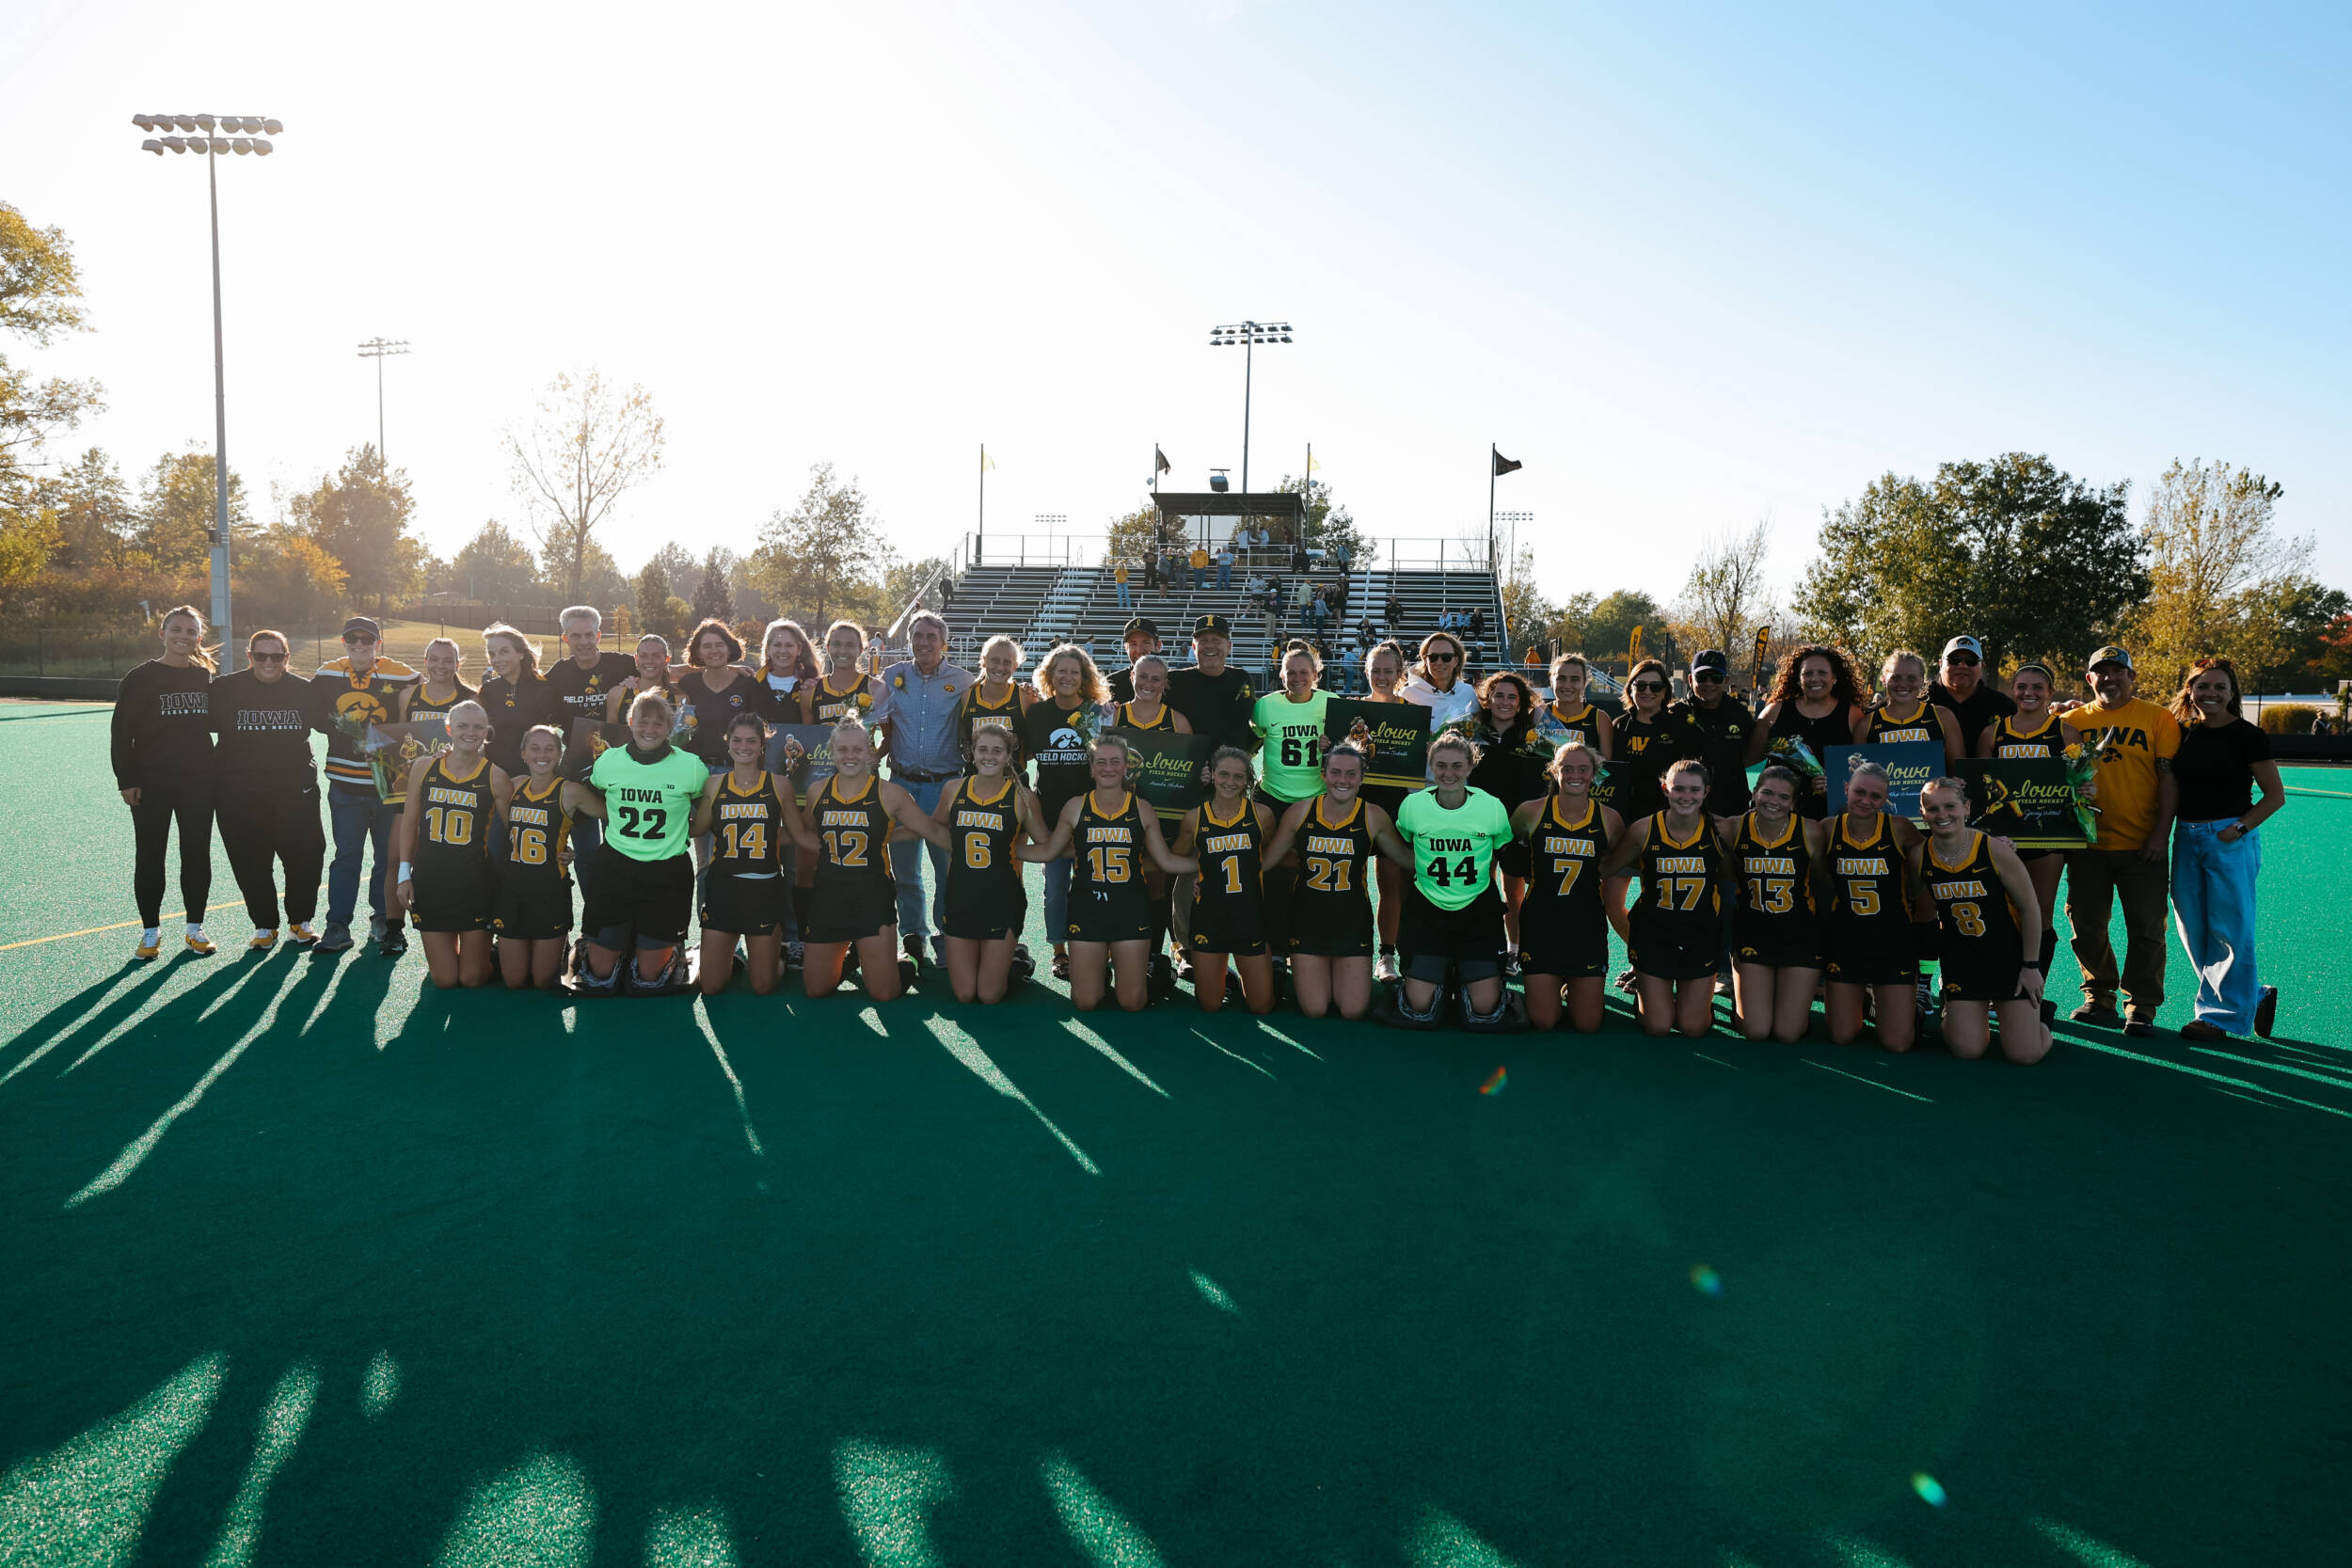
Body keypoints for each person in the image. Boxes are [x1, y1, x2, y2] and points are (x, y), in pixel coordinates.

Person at [1021, 736, 1196, 1011]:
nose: (1108, 768)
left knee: (1132, 1003)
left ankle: (1160, 972)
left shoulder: (1141, 808)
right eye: (1101, 762)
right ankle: (1098, 972)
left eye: (1115, 761)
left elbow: (1166, 860)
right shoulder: (1076, 806)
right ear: (1091, 768)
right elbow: (1049, 851)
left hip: (1130, 908)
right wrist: (1005, 849)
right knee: (1085, 1001)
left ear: (1126, 766)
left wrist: (1206, 865)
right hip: (1087, 908)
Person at [781, 718, 951, 1000]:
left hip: (872, 899)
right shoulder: (817, 791)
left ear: (870, 752)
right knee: (816, 989)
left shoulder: (891, 793)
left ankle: (908, 959)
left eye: (857, 749)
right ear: (832, 752)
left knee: (884, 993)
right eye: (843, 749)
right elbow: (806, 832)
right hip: (829, 898)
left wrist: (969, 852)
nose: (850, 756)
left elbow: (930, 829)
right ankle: (854, 956)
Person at [2167, 657, 2284, 1040]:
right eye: (2203, 686)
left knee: (2229, 929)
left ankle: (2219, 1017)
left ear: (2232, 693)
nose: (2211, 693)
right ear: (2190, 691)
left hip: (2228, 839)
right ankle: (2253, 996)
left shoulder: (2249, 736)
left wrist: (2238, 829)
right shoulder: (2183, 733)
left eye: (2220, 687)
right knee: (2192, 929)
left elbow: (2274, 796)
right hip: (2186, 837)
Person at [2064, 645, 2179, 1036]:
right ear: (2089, 678)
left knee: (2147, 928)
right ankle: (2099, 995)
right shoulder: (2071, 722)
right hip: (2088, 844)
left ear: (2132, 676)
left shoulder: (2157, 718)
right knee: (2087, 925)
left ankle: (2142, 1005)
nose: (2109, 678)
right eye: (2102, 671)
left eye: (2118, 671)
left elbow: (2168, 779)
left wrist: (2161, 834)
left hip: (2141, 844)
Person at [572, 690, 707, 992]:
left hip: (666, 872)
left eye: (658, 723)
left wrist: (687, 830)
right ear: (630, 723)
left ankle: (661, 948)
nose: (650, 729)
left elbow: (705, 803)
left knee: (648, 978)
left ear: (669, 727)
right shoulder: (609, 761)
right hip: (616, 868)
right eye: (643, 722)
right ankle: (616, 944)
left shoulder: (691, 766)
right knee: (601, 974)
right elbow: (592, 797)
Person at [1266, 743, 1412, 1020]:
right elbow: (1266, 861)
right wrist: (1210, 874)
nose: (1342, 780)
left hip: (1352, 925)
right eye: (1335, 772)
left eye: (1350, 774)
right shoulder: (1300, 812)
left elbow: (1406, 860)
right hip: (1307, 924)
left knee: (1352, 1010)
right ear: (1323, 774)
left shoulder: (1373, 815)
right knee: (1315, 1009)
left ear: (1362, 778)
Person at [1915, 776, 2049, 1063]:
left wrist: (2031, 966)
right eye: (1933, 808)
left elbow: (2030, 909)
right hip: (1962, 961)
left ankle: (2039, 1023)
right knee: (1967, 1050)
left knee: (2025, 1054)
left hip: (2008, 959)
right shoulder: (1919, 857)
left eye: (1950, 806)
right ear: (1923, 813)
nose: (1942, 814)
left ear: (1966, 807)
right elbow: (1916, 911)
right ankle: (1952, 1007)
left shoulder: (1994, 849)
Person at [1389, 732, 1518, 1028]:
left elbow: (1501, 847)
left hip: (1477, 910)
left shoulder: (1491, 807)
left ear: (1470, 766)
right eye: (1441, 765)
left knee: (1483, 1009)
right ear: (1431, 765)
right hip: (1428, 910)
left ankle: (1463, 973)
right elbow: (1407, 843)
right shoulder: (1413, 805)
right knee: (1419, 1006)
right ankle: (1443, 973)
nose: (1449, 773)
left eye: (1457, 766)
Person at [209, 627, 326, 951]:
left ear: (287, 658)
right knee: (250, 860)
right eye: (261, 655)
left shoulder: (304, 690)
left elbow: (335, 724)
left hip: (295, 791)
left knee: (306, 856)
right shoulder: (224, 689)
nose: (269, 662)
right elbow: (191, 728)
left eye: (277, 656)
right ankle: (264, 926)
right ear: (249, 656)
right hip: (239, 792)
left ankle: (300, 922)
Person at [114, 605, 219, 958]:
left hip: (198, 782)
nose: (182, 637)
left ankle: (194, 928)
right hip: (151, 782)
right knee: (150, 855)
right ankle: (150, 932)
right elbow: (121, 734)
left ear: (198, 638)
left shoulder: (203, 677)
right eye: (176, 630)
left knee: (196, 853)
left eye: (190, 632)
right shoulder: (139, 678)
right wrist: (126, 779)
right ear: (162, 634)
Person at [1597, 758, 1729, 1037]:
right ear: (1665, 789)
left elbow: (1738, 874)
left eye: (1694, 789)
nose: (1686, 796)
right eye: (1678, 789)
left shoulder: (1721, 830)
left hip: (1700, 933)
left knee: (1693, 1027)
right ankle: (1648, 997)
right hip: (1654, 932)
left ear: (1706, 791)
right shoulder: (1644, 829)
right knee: (1657, 1026)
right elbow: (1607, 867)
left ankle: (1695, 1002)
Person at [311, 615, 420, 956]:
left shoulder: (402, 674)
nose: (360, 645)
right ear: (343, 642)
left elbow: (423, 705)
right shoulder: (327, 674)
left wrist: (390, 743)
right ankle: (337, 925)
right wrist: (345, 730)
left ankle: (383, 919)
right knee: (346, 856)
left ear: (378, 643)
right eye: (353, 639)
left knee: (387, 859)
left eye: (367, 640)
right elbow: (314, 715)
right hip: (345, 784)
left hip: (388, 785)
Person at [389, 699, 510, 989]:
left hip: (475, 883)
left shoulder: (495, 776)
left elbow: (516, 830)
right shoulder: (424, 766)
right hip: (430, 880)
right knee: (444, 979)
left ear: (487, 732)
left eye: (478, 727)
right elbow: (409, 822)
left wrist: (560, 850)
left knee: (472, 978)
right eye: (463, 726)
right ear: (449, 729)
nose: (471, 732)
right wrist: (404, 874)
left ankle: (492, 955)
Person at [879, 610, 975, 969]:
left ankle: (946, 935)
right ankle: (913, 935)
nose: (924, 643)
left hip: (944, 786)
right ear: (909, 641)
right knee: (904, 870)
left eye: (931, 637)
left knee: (947, 868)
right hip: (901, 784)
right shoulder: (892, 676)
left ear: (943, 642)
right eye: (917, 636)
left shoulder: (963, 680)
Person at [1974, 662, 2084, 975]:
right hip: (2001, 837)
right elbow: (1980, 784)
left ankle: (2033, 987)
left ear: (2050, 692)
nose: (2029, 693)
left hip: (2046, 836)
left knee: (2039, 913)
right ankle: (1999, 984)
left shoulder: (2065, 732)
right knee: (1998, 911)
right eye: (2022, 686)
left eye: (2038, 687)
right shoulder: (1993, 733)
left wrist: (2086, 788)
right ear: (2013, 690)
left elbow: (2081, 781)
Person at [931, 725, 1049, 1004]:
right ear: (972, 753)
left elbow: (1045, 845)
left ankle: (1017, 962)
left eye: (997, 750)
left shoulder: (1022, 797)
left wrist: (1010, 849)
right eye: (982, 749)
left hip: (1002, 900)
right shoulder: (953, 789)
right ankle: (1000, 959)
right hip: (961, 897)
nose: (989, 756)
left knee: (989, 995)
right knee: (964, 994)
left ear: (1008, 756)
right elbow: (936, 827)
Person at [1510, 740, 1622, 1032]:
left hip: (1586, 926)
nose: (1576, 775)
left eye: (1583, 769)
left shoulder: (1609, 819)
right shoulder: (1530, 812)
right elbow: (1510, 849)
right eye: (1567, 768)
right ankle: (1553, 983)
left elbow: (1616, 860)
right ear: (1554, 772)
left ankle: (1569, 985)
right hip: (1541, 924)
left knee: (1588, 1024)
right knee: (1544, 1021)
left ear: (1594, 773)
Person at [1020, 642, 1111, 979]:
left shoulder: (1097, 714)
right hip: (1050, 816)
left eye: (1075, 671)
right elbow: (1023, 755)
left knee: (1095, 887)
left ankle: (1097, 947)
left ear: (1084, 677)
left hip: (1093, 816)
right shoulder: (1037, 714)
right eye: (1062, 671)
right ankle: (1060, 951)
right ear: (1050, 676)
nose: (1068, 677)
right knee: (1056, 889)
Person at [1820, 760, 1925, 1052]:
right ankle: (1864, 999)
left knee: (1898, 1044)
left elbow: (1936, 854)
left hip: (1892, 942)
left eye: (1875, 796)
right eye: (1859, 792)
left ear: (1886, 799)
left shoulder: (1900, 828)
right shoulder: (1828, 828)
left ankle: (1910, 1006)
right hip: (1846, 940)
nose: (1866, 801)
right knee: (1842, 1035)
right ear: (1846, 789)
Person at [1721, 765, 1827, 1043]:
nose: (1773, 801)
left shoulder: (1810, 831)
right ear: (1754, 793)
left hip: (1799, 936)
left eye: (1783, 797)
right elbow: (1727, 871)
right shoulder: (1734, 827)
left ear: (1793, 803)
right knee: (1756, 1031)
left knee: (1788, 1033)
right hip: (1752, 933)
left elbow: (1821, 880)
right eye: (1767, 793)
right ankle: (1745, 997)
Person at [691, 713, 792, 996]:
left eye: (751, 741)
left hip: (763, 889)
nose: (743, 747)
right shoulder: (714, 784)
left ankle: (778, 957)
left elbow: (796, 834)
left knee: (763, 986)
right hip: (723, 887)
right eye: (737, 740)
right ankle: (730, 957)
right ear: (728, 742)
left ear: (762, 745)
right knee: (711, 986)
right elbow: (697, 828)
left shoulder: (779, 784)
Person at [1172, 748, 1279, 1014]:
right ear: (1212, 775)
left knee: (1262, 1006)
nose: (1230, 782)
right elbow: (1176, 857)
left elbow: (1268, 854)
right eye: (1224, 774)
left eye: (1238, 777)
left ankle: (1253, 973)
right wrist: (1198, 871)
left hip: (1249, 916)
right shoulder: (1194, 818)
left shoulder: (1262, 815)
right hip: (1210, 918)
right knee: (1210, 1004)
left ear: (1247, 780)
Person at [492, 723, 588, 990]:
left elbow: (610, 813)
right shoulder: (513, 785)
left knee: (542, 980)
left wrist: (573, 850)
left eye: (549, 749)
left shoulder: (570, 790)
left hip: (550, 891)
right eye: (534, 748)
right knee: (514, 981)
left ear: (559, 754)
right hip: (513, 890)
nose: (541, 754)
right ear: (523, 753)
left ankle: (565, 949)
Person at [1467, 671, 1548, 971]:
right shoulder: (1471, 728)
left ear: (1521, 702)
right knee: (1479, 887)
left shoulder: (1532, 733)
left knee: (1514, 892)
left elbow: (1568, 752)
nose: (1504, 701)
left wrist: (1542, 714)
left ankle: (1515, 949)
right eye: (1498, 695)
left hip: (1516, 825)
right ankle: (1482, 945)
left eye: (1512, 697)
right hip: (1477, 823)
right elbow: (1436, 747)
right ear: (1487, 699)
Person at [1352, 640, 1419, 981]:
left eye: (1388, 671)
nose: (1381, 677)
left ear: (1399, 673)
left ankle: (1388, 954)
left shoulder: (1412, 713)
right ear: (1366, 672)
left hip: (1395, 804)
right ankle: (1348, 947)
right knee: (1348, 882)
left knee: (1391, 882)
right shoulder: (1351, 711)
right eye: (1375, 670)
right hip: (1354, 804)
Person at [1747, 643, 1867, 819]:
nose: (1815, 679)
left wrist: (1834, 784)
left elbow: (1862, 770)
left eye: (1822, 673)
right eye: (1808, 673)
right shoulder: (1774, 711)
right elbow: (1751, 763)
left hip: (1832, 817)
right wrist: (1758, 794)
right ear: (1798, 678)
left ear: (1834, 677)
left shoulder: (1853, 715)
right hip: (1779, 815)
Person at [1671, 648, 1756, 816]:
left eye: (1716, 678)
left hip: (1731, 810)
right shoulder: (1675, 715)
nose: (1708, 683)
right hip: (1685, 809)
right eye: (1701, 677)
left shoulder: (1741, 716)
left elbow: (1755, 763)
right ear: (1690, 679)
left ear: (1726, 681)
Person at [673, 620, 762, 774]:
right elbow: (659, 671)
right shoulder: (688, 684)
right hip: (695, 769)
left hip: (734, 770)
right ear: (699, 652)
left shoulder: (747, 684)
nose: (714, 650)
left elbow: (759, 731)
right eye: (707, 646)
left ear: (729, 649)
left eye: (719, 645)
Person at [1856, 648, 1965, 764]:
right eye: (1895, 678)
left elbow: (1959, 770)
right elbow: (1857, 771)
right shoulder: (1865, 726)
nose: (1903, 684)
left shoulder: (1943, 717)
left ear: (1922, 680)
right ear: (1883, 680)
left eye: (1911, 678)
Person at [478, 623, 558, 780]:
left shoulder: (545, 689)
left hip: (533, 779)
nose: (497, 659)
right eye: (492, 654)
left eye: (504, 652)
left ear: (521, 653)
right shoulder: (488, 690)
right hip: (494, 778)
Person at [957, 634, 1031, 768]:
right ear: (984, 660)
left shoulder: (1025, 697)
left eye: (1007, 662)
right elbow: (962, 738)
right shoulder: (967, 696)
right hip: (975, 778)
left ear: (1015, 666)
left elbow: (1034, 746)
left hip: (1014, 778)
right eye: (995, 660)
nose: (1000, 667)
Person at [1928, 635, 2016, 743]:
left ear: (1982, 667)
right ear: (1940, 665)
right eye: (1954, 660)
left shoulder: (2003, 706)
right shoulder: (1921, 701)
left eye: (1971, 661)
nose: (1962, 666)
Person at [1536, 654, 1615, 761]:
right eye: (1561, 678)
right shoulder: (1539, 713)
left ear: (1584, 683)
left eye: (1575, 679)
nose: (1567, 685)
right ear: (1551, 681)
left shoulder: (1600, 719)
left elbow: (1606, 766)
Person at [751, 618, 821, 725]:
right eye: (777, 645)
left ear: (799, 649)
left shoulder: (811, 686)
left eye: (789, 645)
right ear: (768, 649)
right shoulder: (752, 684)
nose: (783, 651)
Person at [1401, 630, 1478, 728]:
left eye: (1446, 657)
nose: (1439, 662)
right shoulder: (1408, 694)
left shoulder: (1469, 693)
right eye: (1433, 657)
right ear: (1425, 660)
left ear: (1456, 660)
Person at [397, 637, 478, 725]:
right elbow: (402, 732)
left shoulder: (471, 699)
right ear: (425, 662)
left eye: (448, 661)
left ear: (457, 664)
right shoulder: (407, 696)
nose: (440, 666)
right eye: (434, 659)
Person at [1114, 654, 1193, 736]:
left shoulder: (1179, 722)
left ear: (1164, 684)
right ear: (1132, 677)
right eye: (1143, 676)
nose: (1148, 684)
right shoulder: (1113, 716)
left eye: (1155, 679)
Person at [1106, 617, 1161, 704]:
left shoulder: (1176, 682)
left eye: (1146, 642)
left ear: (1158, 646)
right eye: (1133, 644)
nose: (1139, 650)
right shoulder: (1112, 684)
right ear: (1126, 648)